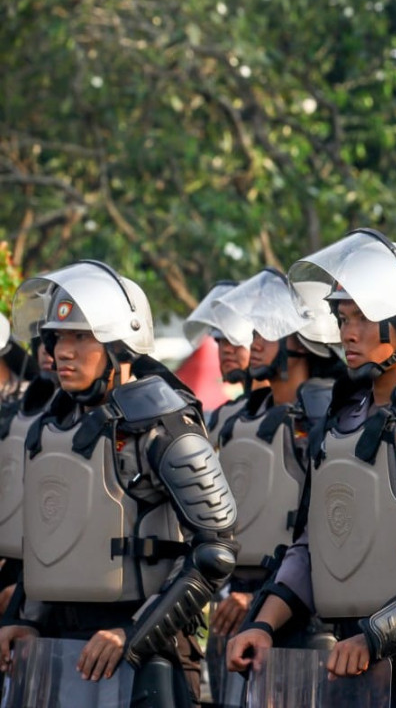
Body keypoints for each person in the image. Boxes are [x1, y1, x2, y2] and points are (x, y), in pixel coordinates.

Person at [225, 229, 396, 706]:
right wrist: (263, 624)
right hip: (349, 664)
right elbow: (313, 544)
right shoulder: (339, 421)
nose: (347, 331)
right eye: (343, 316)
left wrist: (375, 639)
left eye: (363, 317)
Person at [0, 261, 238, 707]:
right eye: (56, 337)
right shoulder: (52, 428)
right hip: (58, 653)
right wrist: (21, 619)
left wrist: (134, 632)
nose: (62, 351)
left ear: (119, 344)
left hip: (145, 655)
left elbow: (215, 551)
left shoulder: (163, 425)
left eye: (80, 337)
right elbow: (50, 541)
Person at [204, 268, 343, 638]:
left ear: (307, 337)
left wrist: (263, 600)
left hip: (306, 614)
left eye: (268, 331)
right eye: (254, 331)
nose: (255, 342)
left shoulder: (333, 418)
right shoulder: (237, 416)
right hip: (234, 601)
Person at [0, 316, 55, 616]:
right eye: (43, 341)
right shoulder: (21, 410)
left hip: (54, 577)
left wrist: (26, 589)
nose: (51, 350)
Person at [184, 281, 258, 440]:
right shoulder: (225, 415)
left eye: (234, 340)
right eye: (220, 341)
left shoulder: (285, 412)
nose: (226, 349)